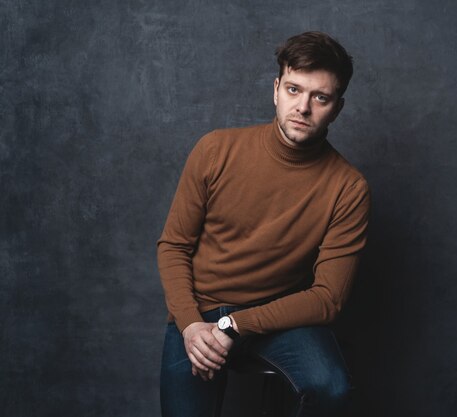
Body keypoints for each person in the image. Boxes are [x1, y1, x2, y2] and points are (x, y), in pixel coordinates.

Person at [157, 31, 370, 417]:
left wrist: (236, 324)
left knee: (332, 387)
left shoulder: (348, 187)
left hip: (279, 315)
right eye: (293, 90)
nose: (302, 107)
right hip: (199, 310)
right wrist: (190, 325)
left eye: (319, 97)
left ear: (336, 108)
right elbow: (174, 246)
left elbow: (328, 299)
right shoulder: (215, 150)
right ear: (276, 89)